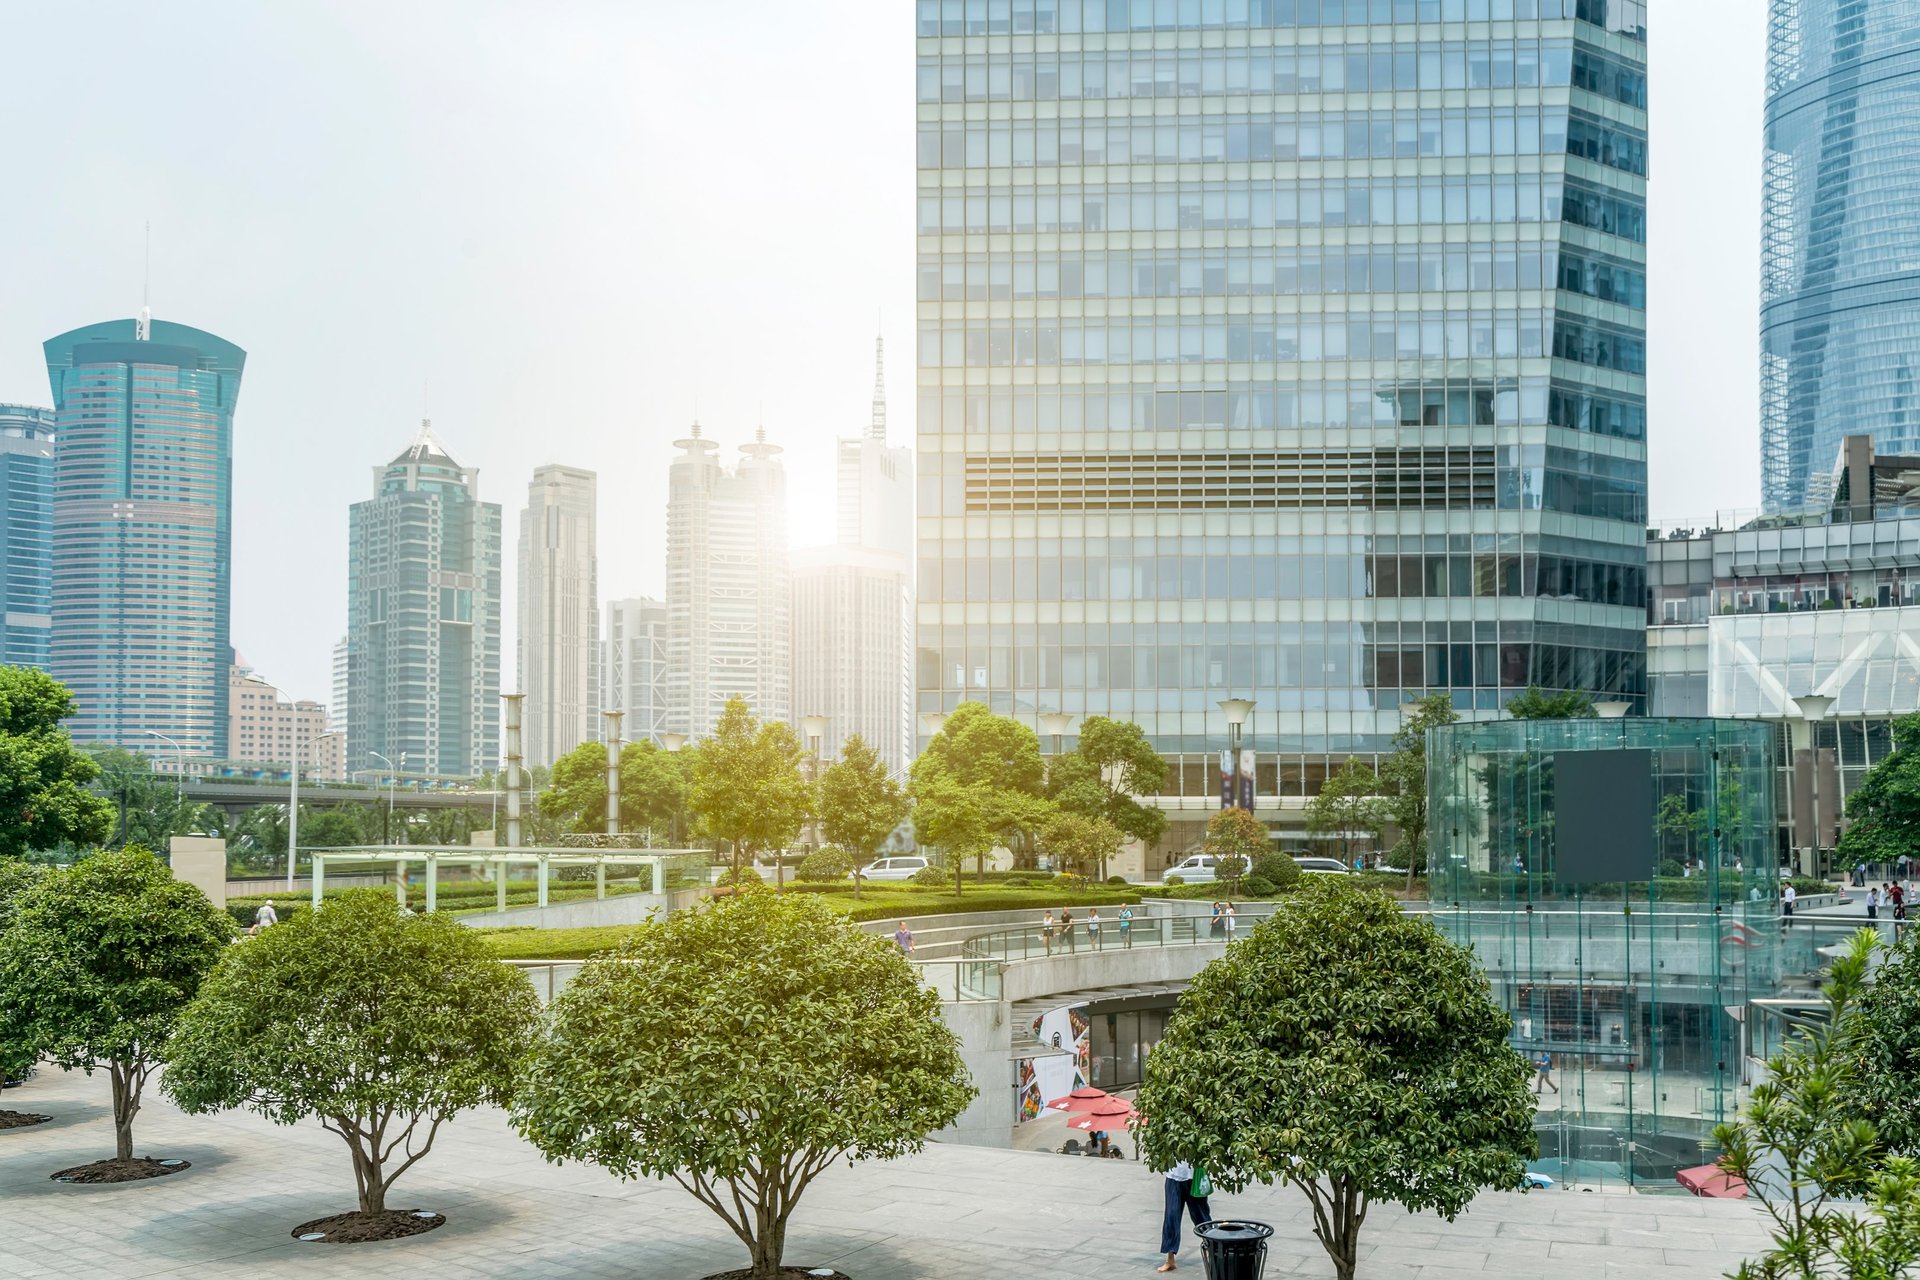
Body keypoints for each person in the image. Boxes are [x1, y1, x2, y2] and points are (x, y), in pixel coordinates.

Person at [1158, 1159, 1213, 1272]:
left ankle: (1212, 1251)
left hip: (1194, 1177)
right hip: (1173, 1176)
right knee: (1171, 1216)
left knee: (1201, 1216)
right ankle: (1170, 1259)